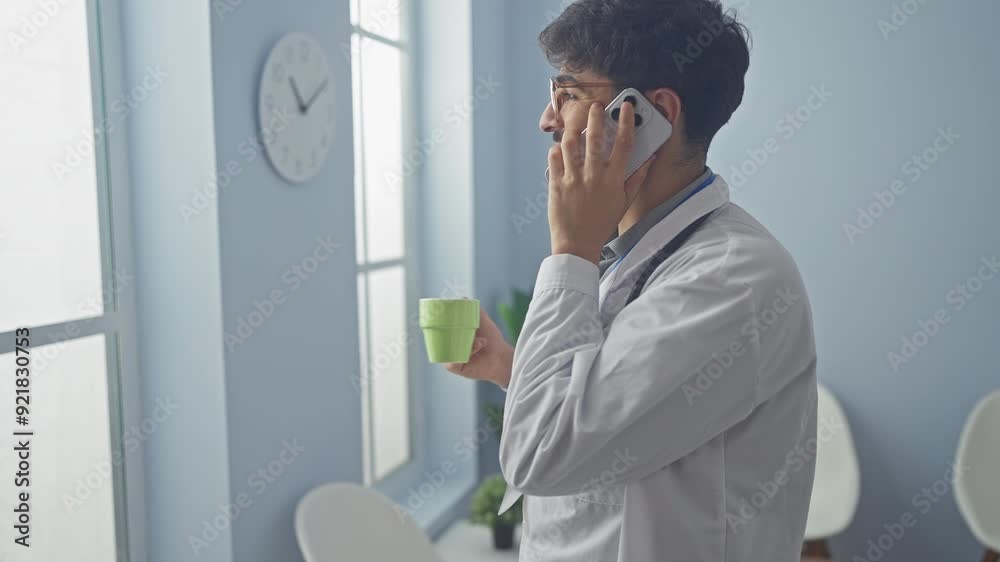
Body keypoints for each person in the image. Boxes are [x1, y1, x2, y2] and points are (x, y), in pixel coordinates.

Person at [445, 1, 817, 560]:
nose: (547, 120)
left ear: (646, 114)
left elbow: (543, 455)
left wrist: (570, 250)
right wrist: (512, 370)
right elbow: (618, 408)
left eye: (568, 94)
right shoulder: (639, 254)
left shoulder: (735, 279)